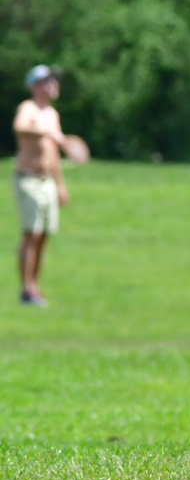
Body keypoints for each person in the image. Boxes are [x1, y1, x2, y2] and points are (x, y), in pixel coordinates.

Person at [13, 66, 86, 307]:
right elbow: (20, 127)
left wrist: (61, 185)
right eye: (47, 81)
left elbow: (53, 155)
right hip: (29, 179)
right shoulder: (28, 108)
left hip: (47, 182)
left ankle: (34, 286)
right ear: (35, 86)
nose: (54, 84)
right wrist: (43, 130)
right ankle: (26, 288)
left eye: (54, 80)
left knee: (44, 235)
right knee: (31, 234)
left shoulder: (53, 114)